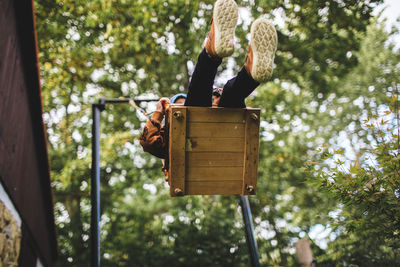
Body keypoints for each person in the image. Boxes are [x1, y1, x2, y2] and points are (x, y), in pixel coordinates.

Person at [140, 0, 278, 180]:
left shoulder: (172, 143)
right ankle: (212, 52)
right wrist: (158, 113)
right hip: (224, 132)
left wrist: (216, 96)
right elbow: (148, 142)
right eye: (177, 108)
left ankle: (250, 73)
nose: (181, 108)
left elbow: (147, 142)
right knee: (200, 102)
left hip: (226, 123)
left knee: (228, 92)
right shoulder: (170, 145)